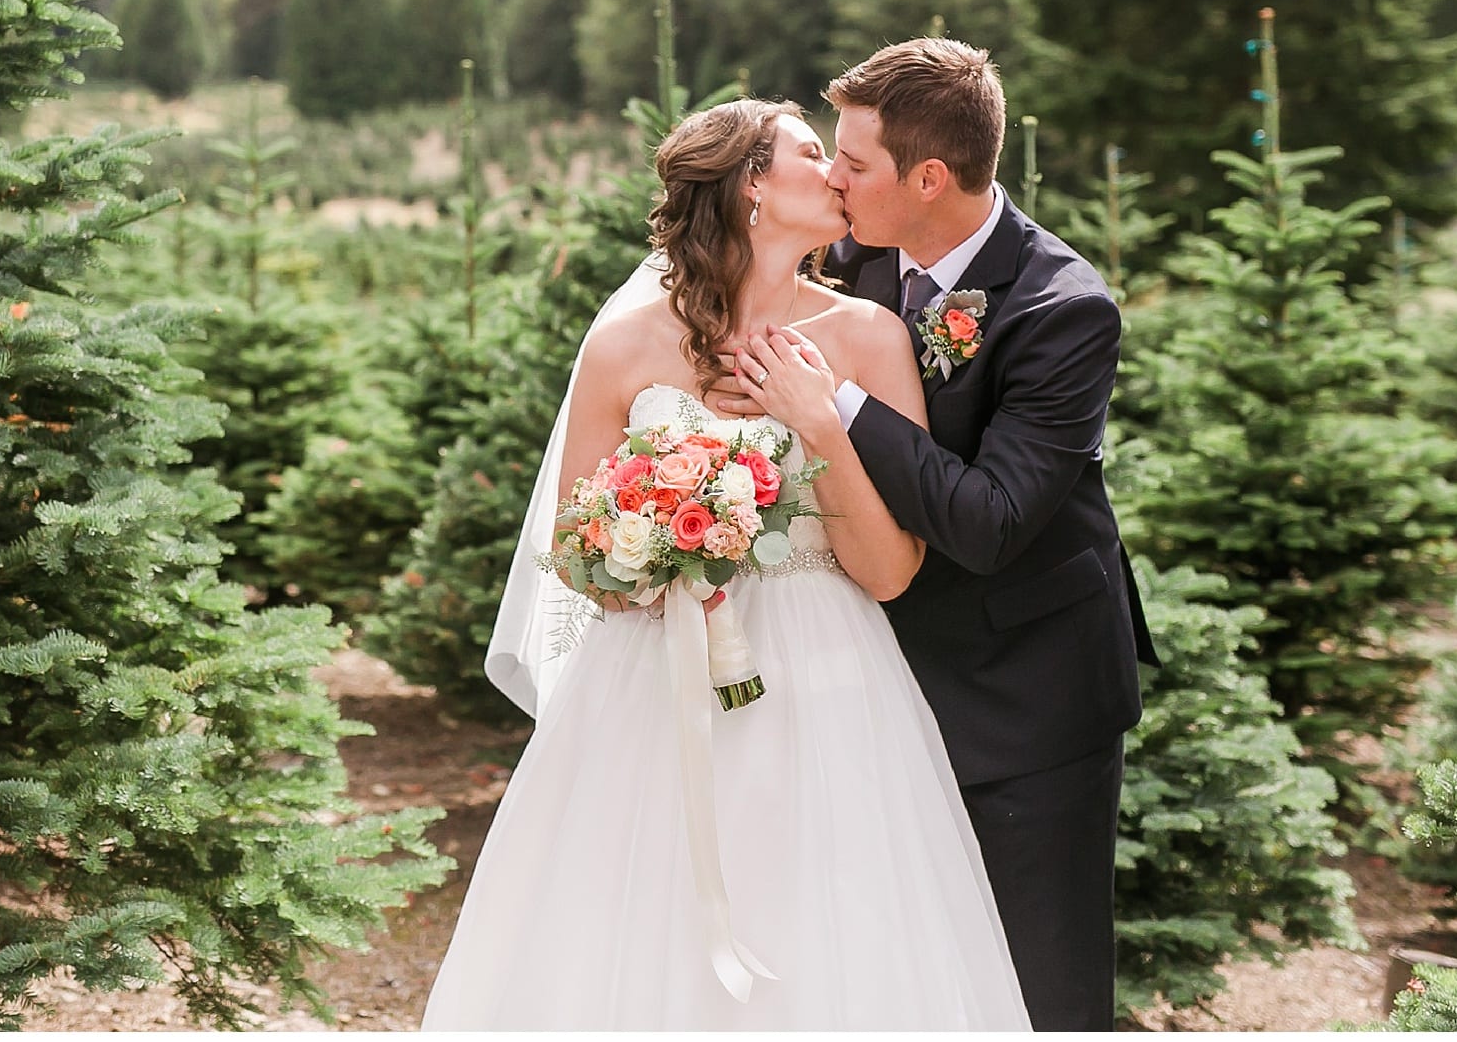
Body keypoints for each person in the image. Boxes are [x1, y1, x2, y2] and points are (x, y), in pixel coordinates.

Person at [421, 100, 1032, 1030]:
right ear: (751, 183)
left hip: (828, 676)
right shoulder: (625, 343)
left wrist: (818, 422)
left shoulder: (868, 336)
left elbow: (890, 571)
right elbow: (572, 553)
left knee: (824, 928)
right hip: (651, 676)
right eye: (811, 153)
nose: (834, 172)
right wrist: (654, 548)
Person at [724, 39, 1159, 1031]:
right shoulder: (857, 253)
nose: (833, 177)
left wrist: (830, 401)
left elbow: (991, 521)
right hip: (873, 687)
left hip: (1027, 697)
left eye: (856, 163)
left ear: (928, 178)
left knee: (1037, 992)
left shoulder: (1065, 308)